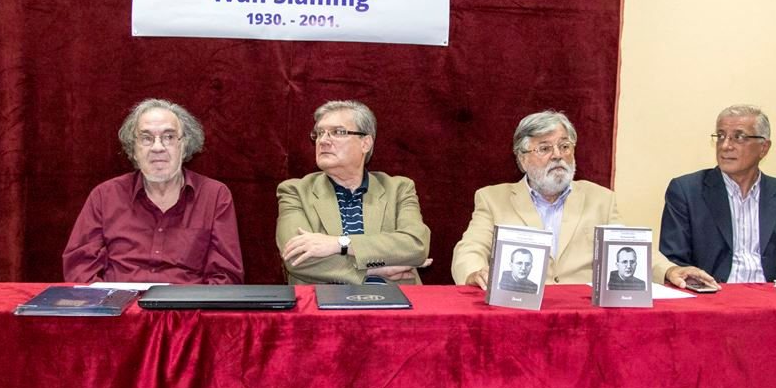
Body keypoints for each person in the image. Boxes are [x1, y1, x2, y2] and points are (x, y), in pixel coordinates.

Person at [451, 110, 718, 290]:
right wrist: (475, 272)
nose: (558, 155)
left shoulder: (600, 199)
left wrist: (670, 270)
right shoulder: (493, 199)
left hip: (584, 316)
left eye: (564, 146)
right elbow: (470, 249)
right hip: (520, 312)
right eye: (544, 148)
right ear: (522, 158)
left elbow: (629, 249)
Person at [62, 99, 244, 284]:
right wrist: (109, 300)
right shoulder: (104, 196)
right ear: (133, 150)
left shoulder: (215, 196)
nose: (158, 147)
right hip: (120, 302)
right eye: (146, 138)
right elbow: (80, 268)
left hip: (186, 303)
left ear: (184, 146)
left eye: (169, 137)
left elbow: (226, 276)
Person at [277, 100, 430, 284]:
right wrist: (373, 270)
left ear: (365, 143)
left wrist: (339, 243)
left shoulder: (399, 188)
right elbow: (296, 257)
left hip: (398, 298)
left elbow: (416, 246)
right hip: (324, 300)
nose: (323, 141)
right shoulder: (295, 191)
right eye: (319, 133)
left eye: (338, 132)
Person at [659, 104, 776, 282]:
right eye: (720, 136)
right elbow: (675, 264)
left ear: (764, 147)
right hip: (713, 295)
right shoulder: (686, 191)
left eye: (738, 137)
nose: (725, 146)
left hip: (774, 295)